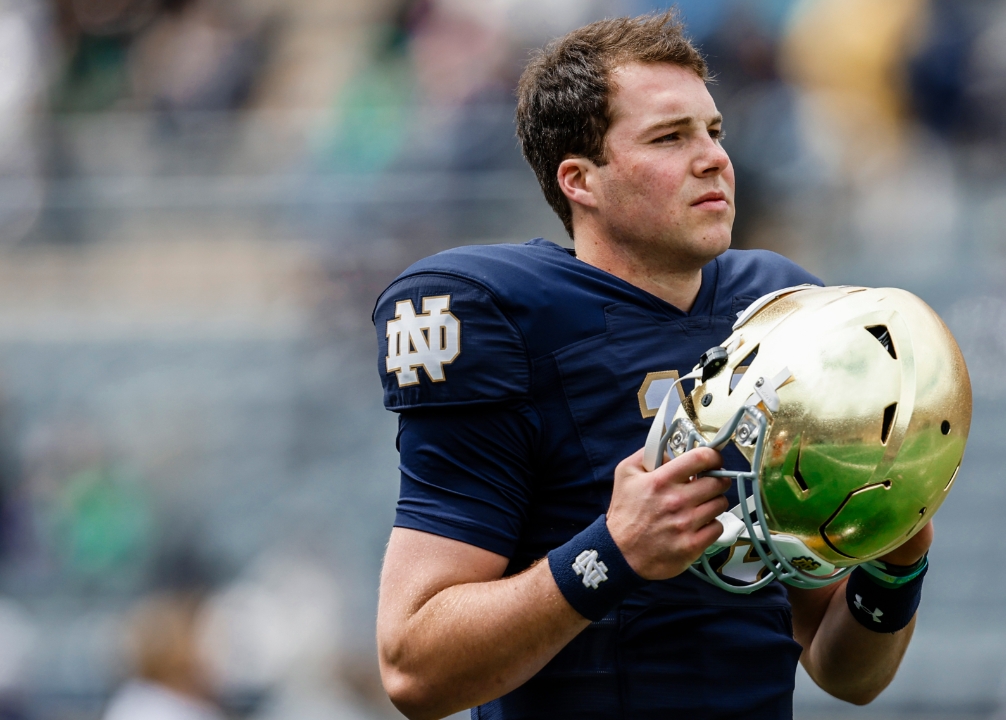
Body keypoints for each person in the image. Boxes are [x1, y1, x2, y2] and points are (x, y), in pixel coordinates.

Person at [373, 13, 933, 719]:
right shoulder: (502, 315)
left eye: (714, 132)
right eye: (670, 137)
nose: (713, 158)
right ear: (580, 180)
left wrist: (897, 564)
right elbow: (414, 668)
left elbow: (845, 670)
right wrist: (614, 552)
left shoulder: (776, 313)